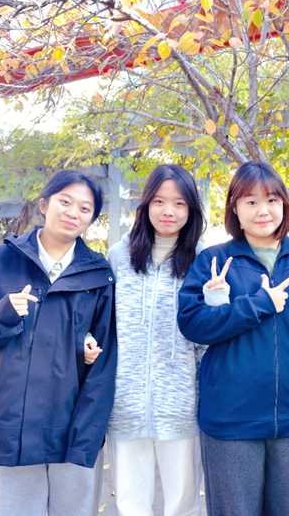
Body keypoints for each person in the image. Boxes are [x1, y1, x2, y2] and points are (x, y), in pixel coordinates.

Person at [0, 170, 117, 516]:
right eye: (65, 202)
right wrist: (0, 313)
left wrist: (88, 347)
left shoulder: (98, 274)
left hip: (72, 422)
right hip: (11, 423)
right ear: (44, 205)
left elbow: (105, 349)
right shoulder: (1, 260)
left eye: (84, 208)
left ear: (92, 218)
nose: (73, 213)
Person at [177, 161, 289, 516]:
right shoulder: (214, 260)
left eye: (271, 200)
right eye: (250, 201)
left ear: (284, 204)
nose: (262, 210)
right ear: (235, 208)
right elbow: (192, 325)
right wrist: (257, 305)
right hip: (230, 420)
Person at [104, 164, 206, 516]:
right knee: (131, 499)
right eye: (159, 201)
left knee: (183, 500)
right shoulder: (119, 256)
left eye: (179, 203)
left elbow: (209, 334)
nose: (168, 211)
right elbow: (101, 321)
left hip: (181, 400)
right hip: (126, 398)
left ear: (191, 209)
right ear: (146, 204)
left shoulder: (203, 260)